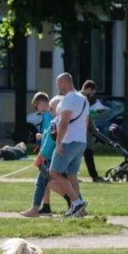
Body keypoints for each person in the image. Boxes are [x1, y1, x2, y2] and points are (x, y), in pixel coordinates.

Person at [49, 73, 90, 217]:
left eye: (58, 83)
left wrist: (58, 142)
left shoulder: (68, 99)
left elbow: (64, 122)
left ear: (65, 83)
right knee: (72, 175)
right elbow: (86, 121)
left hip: (69, 141)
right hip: (81, 140)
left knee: (53, 172)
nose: (57, 86)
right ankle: (78, 208)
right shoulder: (83, 99)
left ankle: (77, 202)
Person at [20, 95, 65, 217]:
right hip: (52, 155)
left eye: (36, 105)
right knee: (48, 182)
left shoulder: (52, 119)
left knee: (45, 182)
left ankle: (74, 201)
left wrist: (41, 155)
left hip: (49, 155)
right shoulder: (61, 120)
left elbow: (50, 139)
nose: (36, 108)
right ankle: (44, 206)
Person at [80, 80, 110, 183]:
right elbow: (87, 117)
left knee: (78, 154)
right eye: (92, 92)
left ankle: (71, 175)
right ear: (88, 89)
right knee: (88, 153)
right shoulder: (83, 99)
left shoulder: (77, 97)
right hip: (82, 132)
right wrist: (94, 129)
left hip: (82, 130)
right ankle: (94, 176)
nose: (92, 95)